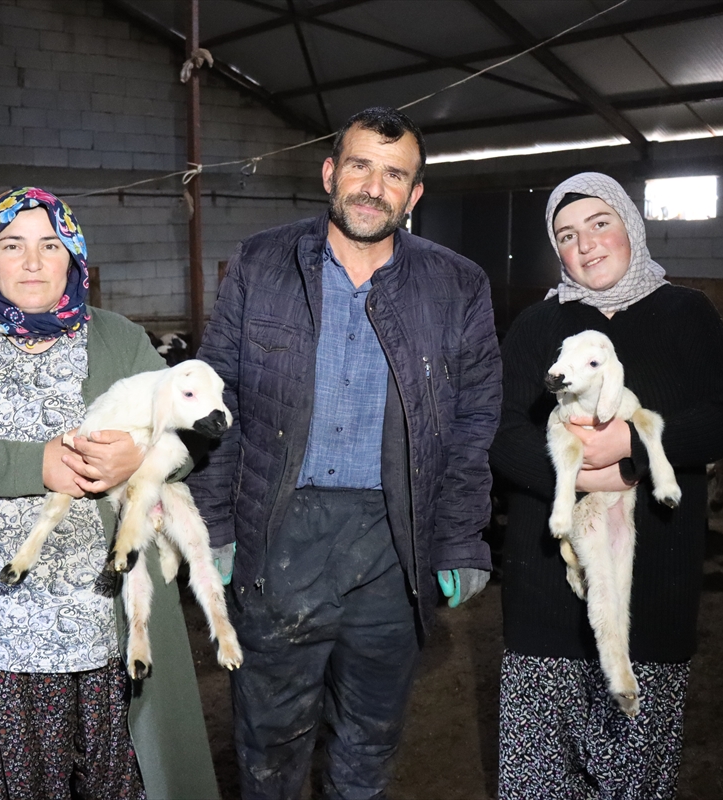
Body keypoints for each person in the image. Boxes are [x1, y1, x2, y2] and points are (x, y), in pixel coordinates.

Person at [187, 107, 503, 799]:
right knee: (269, 739)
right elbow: (214, 400)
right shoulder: (262, 263)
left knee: (369, 737)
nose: (373, 187)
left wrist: (461, 539)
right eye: (360, 165)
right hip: (280, 537)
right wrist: (211, 527)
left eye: (395, 175)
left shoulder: (458, 286)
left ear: (414, 194)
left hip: (395, 543)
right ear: (330, 172)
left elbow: (473, 422)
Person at [0, 187, 218, 800]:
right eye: (12, 245)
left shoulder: (119, 340)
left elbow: (195, 433)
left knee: (120, 785)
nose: (33, 262)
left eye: (50, 245)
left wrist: (143, 456)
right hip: (1, 636)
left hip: (106, 629)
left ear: (74, 257)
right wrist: (39, 464)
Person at [490, 172, 723, 798]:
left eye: (600, 223)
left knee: (632, 775)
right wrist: (580, 470)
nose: (586, 244)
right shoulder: (536, 325)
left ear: (630, 225)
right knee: (538, 776)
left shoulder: (687, 313)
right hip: (546, 589)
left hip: (652, 585)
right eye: (566, 234)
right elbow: (499, 430)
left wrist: (630, 447)